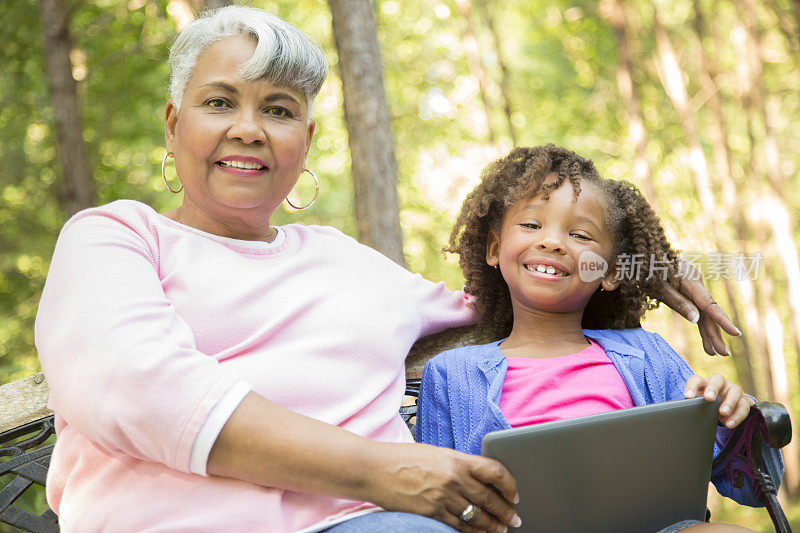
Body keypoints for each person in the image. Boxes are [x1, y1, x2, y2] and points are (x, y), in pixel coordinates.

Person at [34, 7, 740, 533]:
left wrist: (645, 266)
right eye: (220, 102)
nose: (248, 128)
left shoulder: (344, 262)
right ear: (172, 123)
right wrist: (387, 472)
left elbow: (510, 284)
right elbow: (138, 385)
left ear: (304, 142)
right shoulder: (115, 238)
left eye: (278, 111)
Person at [415, 145, 784, 532]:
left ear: (608, 272)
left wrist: (732, 419)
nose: (553, 242)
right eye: (531, 225)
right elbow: (434, 504)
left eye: (579, 234)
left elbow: (757, 487)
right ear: (494, 248)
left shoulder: (646, 354)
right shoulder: (452, 374)